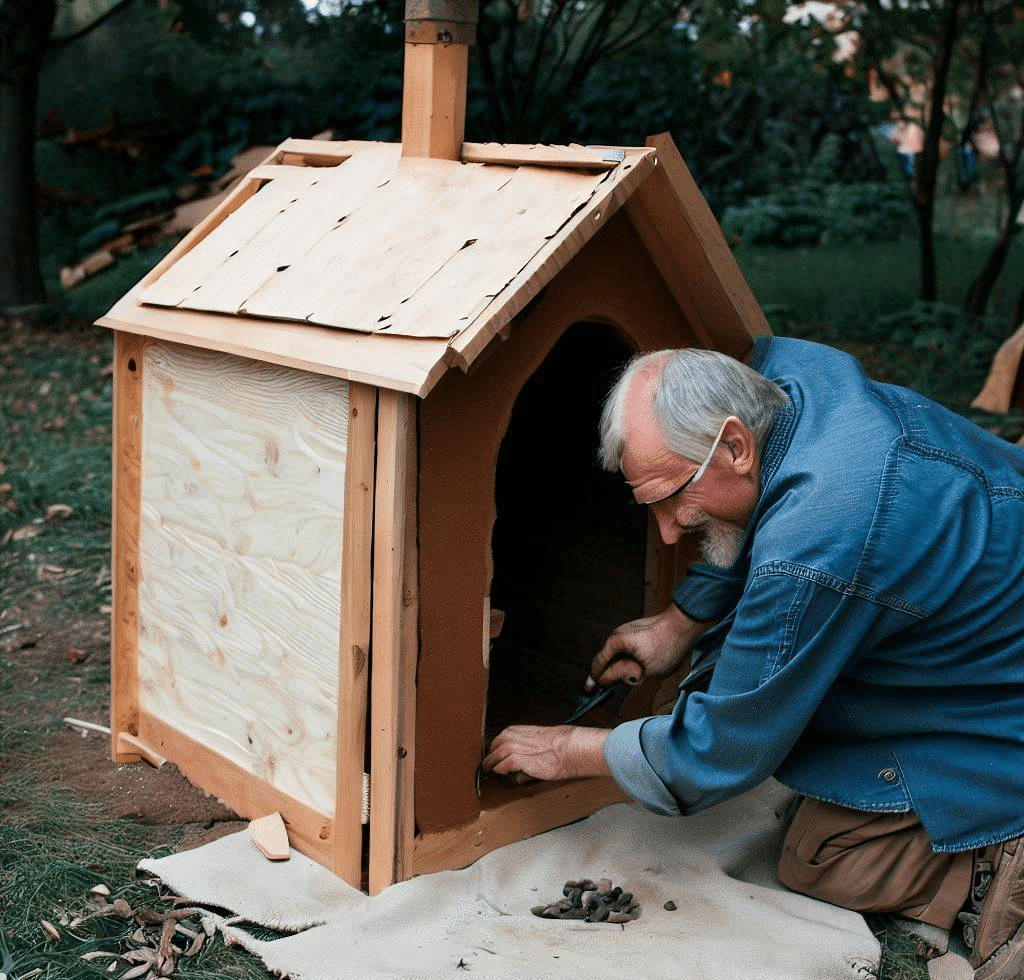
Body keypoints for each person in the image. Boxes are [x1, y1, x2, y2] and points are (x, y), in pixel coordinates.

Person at [482, 335, 1024, 979]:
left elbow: (717, 749)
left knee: (820, 855)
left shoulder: (822, 538)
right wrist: (680, 622)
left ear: (735, 445)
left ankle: (1001, 848)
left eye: (672, 496)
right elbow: (760, 521)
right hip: (982, 610)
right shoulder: (786, 373)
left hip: (997, 695)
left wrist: (571, 749)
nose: (668, 531)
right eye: (648, 504)